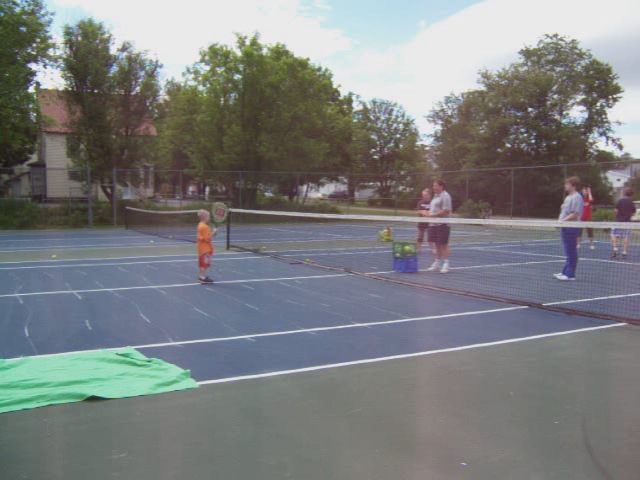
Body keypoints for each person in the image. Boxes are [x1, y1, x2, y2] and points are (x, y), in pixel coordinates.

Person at [554, 177, 584, 281]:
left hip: (572, 227)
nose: (565, 186)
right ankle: (565, 271)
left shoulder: (577, 197)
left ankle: (570, 274)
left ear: (573, 185)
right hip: (565, 227)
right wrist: (561, 222)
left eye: (567, 184)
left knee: (571, 250)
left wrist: (562, 221)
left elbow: (575, 214)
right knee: (568, 250)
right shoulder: (568, 198)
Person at [421, 179, 452, 273]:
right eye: (433, 185)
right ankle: (437, 262)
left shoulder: (446, 196)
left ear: (441, 186)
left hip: (443, 224)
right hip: (433, 224)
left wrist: (432, 216)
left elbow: (446, 210)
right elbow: (433, 209)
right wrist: (427, 213)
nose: (434, 187)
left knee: (443, 244)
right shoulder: (435, 196)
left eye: (436, 186)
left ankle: (446, 264)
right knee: (437, 244)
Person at [611, 187, 636, 259]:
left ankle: (615, 250)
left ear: (625, 193)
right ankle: (624, 252)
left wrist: (616, 217)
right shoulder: (631, 202)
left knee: (613, 234)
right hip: (627, 222)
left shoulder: (620, 201)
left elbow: (616, 211)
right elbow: (633, 212)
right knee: (626, 237)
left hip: (618, 222)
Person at [197, 209, 218, 284]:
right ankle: (202, 278)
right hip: (205, 248)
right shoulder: (205, 227)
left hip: (202, 248)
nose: (209, 218)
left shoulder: (200, 225)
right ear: (205, 217)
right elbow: (207, 238)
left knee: (203, 264)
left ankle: (202, 276)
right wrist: (214, 232)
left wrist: (213, 233)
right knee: (203, 264)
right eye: (208, 216)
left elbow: (206, 236)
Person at [416, 188, 435, 254]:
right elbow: (418, 211)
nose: (424, 196)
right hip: (421, 223)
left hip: (429, 223)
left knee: (430, 237)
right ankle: (418, 249)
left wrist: (428, 213)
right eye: (423, 195)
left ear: (429, 195)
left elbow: (433, 212)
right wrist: (422, 212)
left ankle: (433, 250)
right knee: (419, 237)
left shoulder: (433, 203)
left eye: (426, 195)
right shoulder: (420, 202)